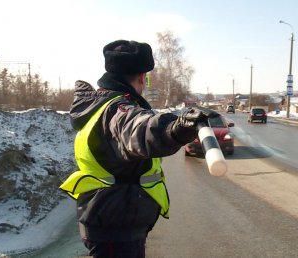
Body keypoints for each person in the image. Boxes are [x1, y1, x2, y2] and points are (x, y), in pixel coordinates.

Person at [59, 39, 217, 257]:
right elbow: (139, 127)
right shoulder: (117, 109)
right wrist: (176, 128)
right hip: (115, 226)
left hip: (108, 217)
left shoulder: (99, 106)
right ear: (143, 77)